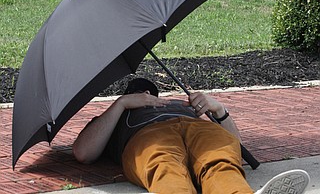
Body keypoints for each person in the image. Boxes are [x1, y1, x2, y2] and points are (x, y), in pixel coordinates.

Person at [73, 78, 310, 194]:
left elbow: (234, 145)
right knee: (165, 167)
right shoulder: (117, 115)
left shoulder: (180, 103)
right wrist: (122, 103)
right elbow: (83, 153)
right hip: (148, 138)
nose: (146, 95)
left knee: (220, 161)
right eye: (139, 93)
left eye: (150, 93)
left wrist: (218, 109)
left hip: (198, 128)